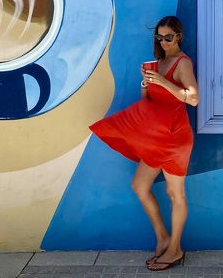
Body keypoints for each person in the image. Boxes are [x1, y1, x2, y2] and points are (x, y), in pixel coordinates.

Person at [89, 16, 198, 271]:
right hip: (155, 138)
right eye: (159, 37)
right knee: (139, 185)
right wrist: (146, 82)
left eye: (168, 37)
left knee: (175, 193)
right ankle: (163, 237)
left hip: (174, 137)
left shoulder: (182, 63)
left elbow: (193, 98)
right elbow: (147, 101)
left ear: (179, 36)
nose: (164, 42)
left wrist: (163, 81)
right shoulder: (157, 63)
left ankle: (175, 249)